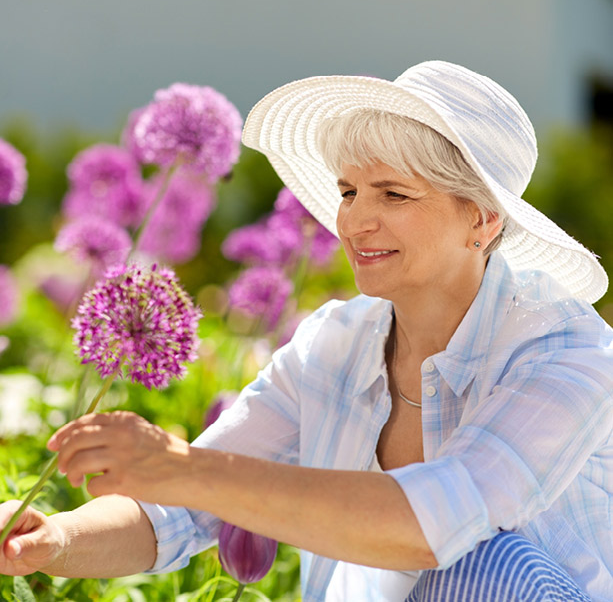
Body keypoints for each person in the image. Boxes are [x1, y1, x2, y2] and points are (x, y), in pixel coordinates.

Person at [1, 61, 612, 602]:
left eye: (394, 194)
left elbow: (432, 526)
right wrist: (55, 538)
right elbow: (177, 514)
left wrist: (180, 467)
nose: (354, 220)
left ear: (481, 218)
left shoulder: (567, 351)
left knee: (486, 561)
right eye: (349, 191)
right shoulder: (333, 344)